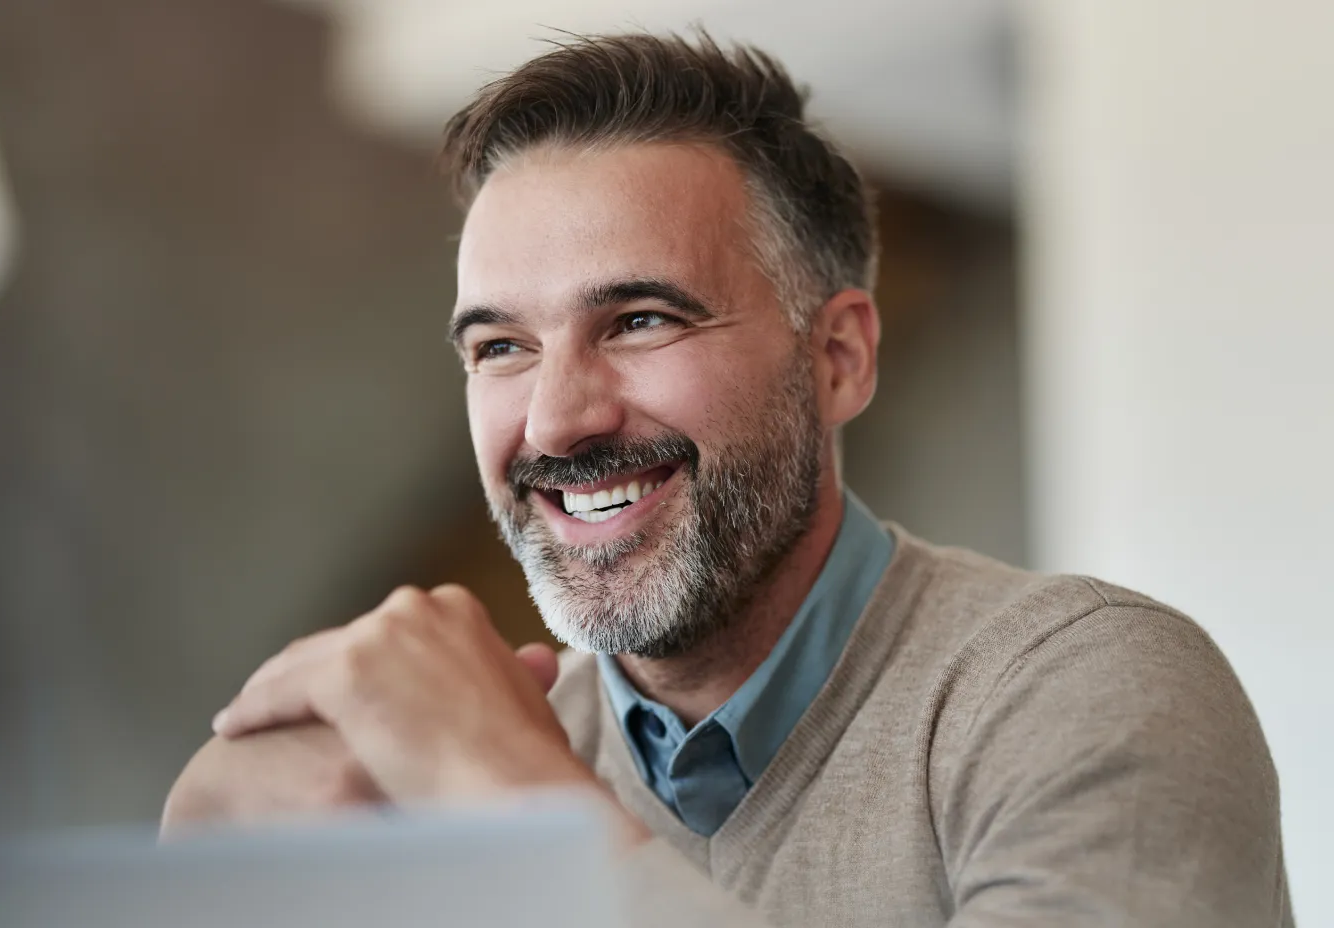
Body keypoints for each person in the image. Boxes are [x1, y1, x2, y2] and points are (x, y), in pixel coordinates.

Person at [163, 31, 1293, 928]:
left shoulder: (1082, 688)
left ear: (838, 354)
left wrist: (512, 807)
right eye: (500, 346)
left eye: (640, 318)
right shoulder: (421, 786)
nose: (557, 417)